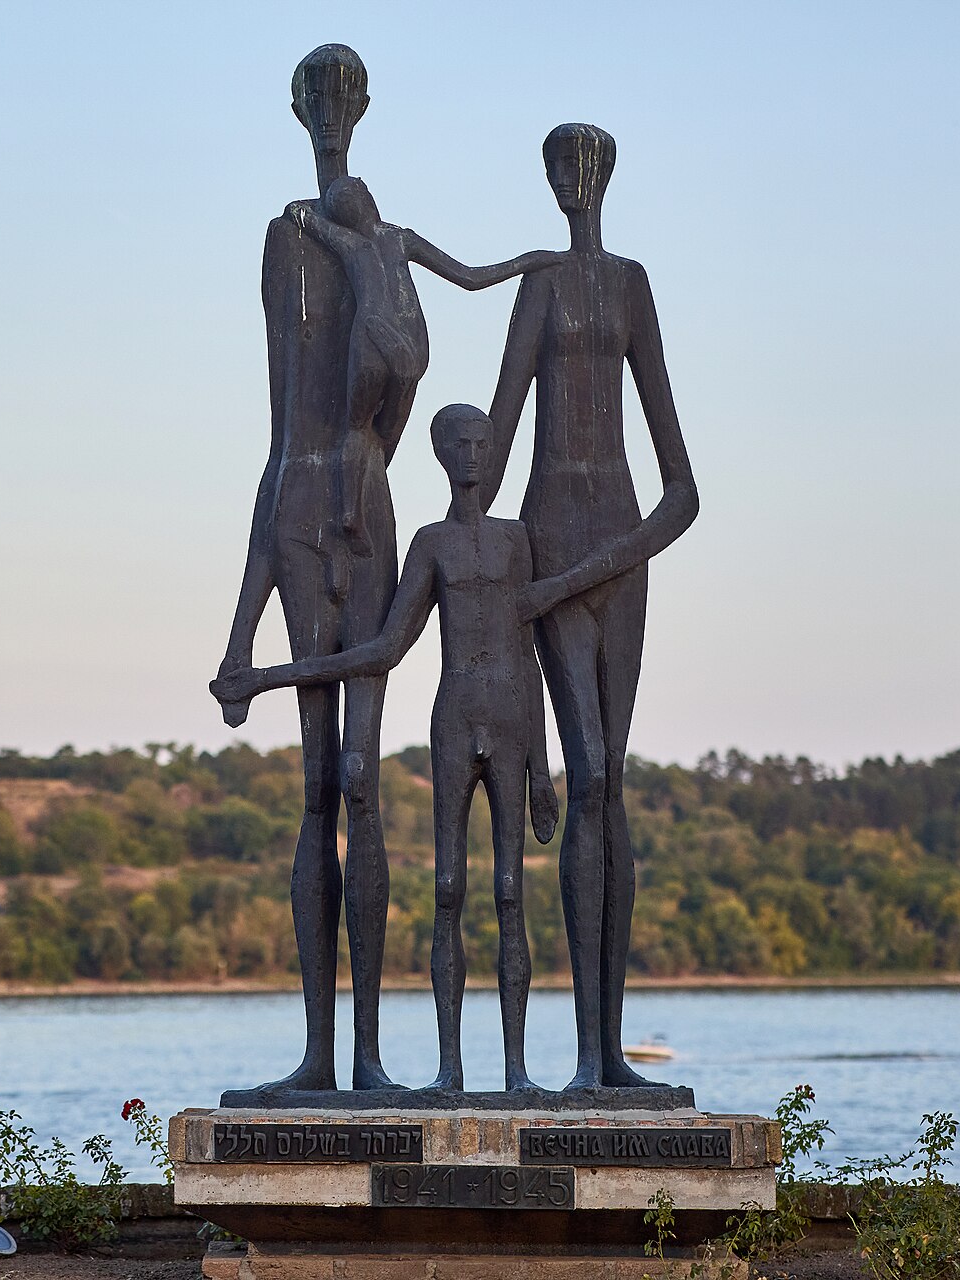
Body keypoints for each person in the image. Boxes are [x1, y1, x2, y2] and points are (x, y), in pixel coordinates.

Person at [215, 45, 558, 1095]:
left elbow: (401, 373)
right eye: (320, 102)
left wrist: (371, 256)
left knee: (363, 779)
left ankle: (367, 1052)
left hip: (361, 501)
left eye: (344, 102)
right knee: (320, 784)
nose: (332, 118)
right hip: (301, 508)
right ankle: (324, 1052)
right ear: (302, 111)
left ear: (357, 113)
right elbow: (279, 431)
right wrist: (241, 626)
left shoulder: (376, 245)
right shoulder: (284, 245)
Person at [214, 404, 560, 1092]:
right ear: (439, 453)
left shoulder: (518, 542)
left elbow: (532, 656)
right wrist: (273, 675)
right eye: (458, 443)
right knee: (447, 889)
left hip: (515, 723)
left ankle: (518, 1071)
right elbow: (382, 649)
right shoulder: (431, 544)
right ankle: (450, 1072)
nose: (471, 455)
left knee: (511, 891)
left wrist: (545, 770)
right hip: (455, 721)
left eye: (482, 444)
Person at [488, 123, 700, 1091]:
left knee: (612, 779)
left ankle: (610, 1052)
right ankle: (584, 1055)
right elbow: (490, 448)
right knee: (586, 777)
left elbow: (684, 489)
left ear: (604, 177)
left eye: (583, 166)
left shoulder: (630, 285)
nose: (569, 181)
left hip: (617, 548)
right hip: (549, 539)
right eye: (555, 168)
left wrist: (616, 554)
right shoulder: (536, 287)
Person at [288, 177, 562, 571]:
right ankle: (368, 483)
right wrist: (529, 261)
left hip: (368, 337)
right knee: (383, 436)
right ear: (370, 199)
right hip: (408, 344)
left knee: (356, 426)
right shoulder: (400, 239)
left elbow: (300, 217)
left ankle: (350, 510)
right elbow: (470, 277)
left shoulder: (350, 243)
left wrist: (304, 207)